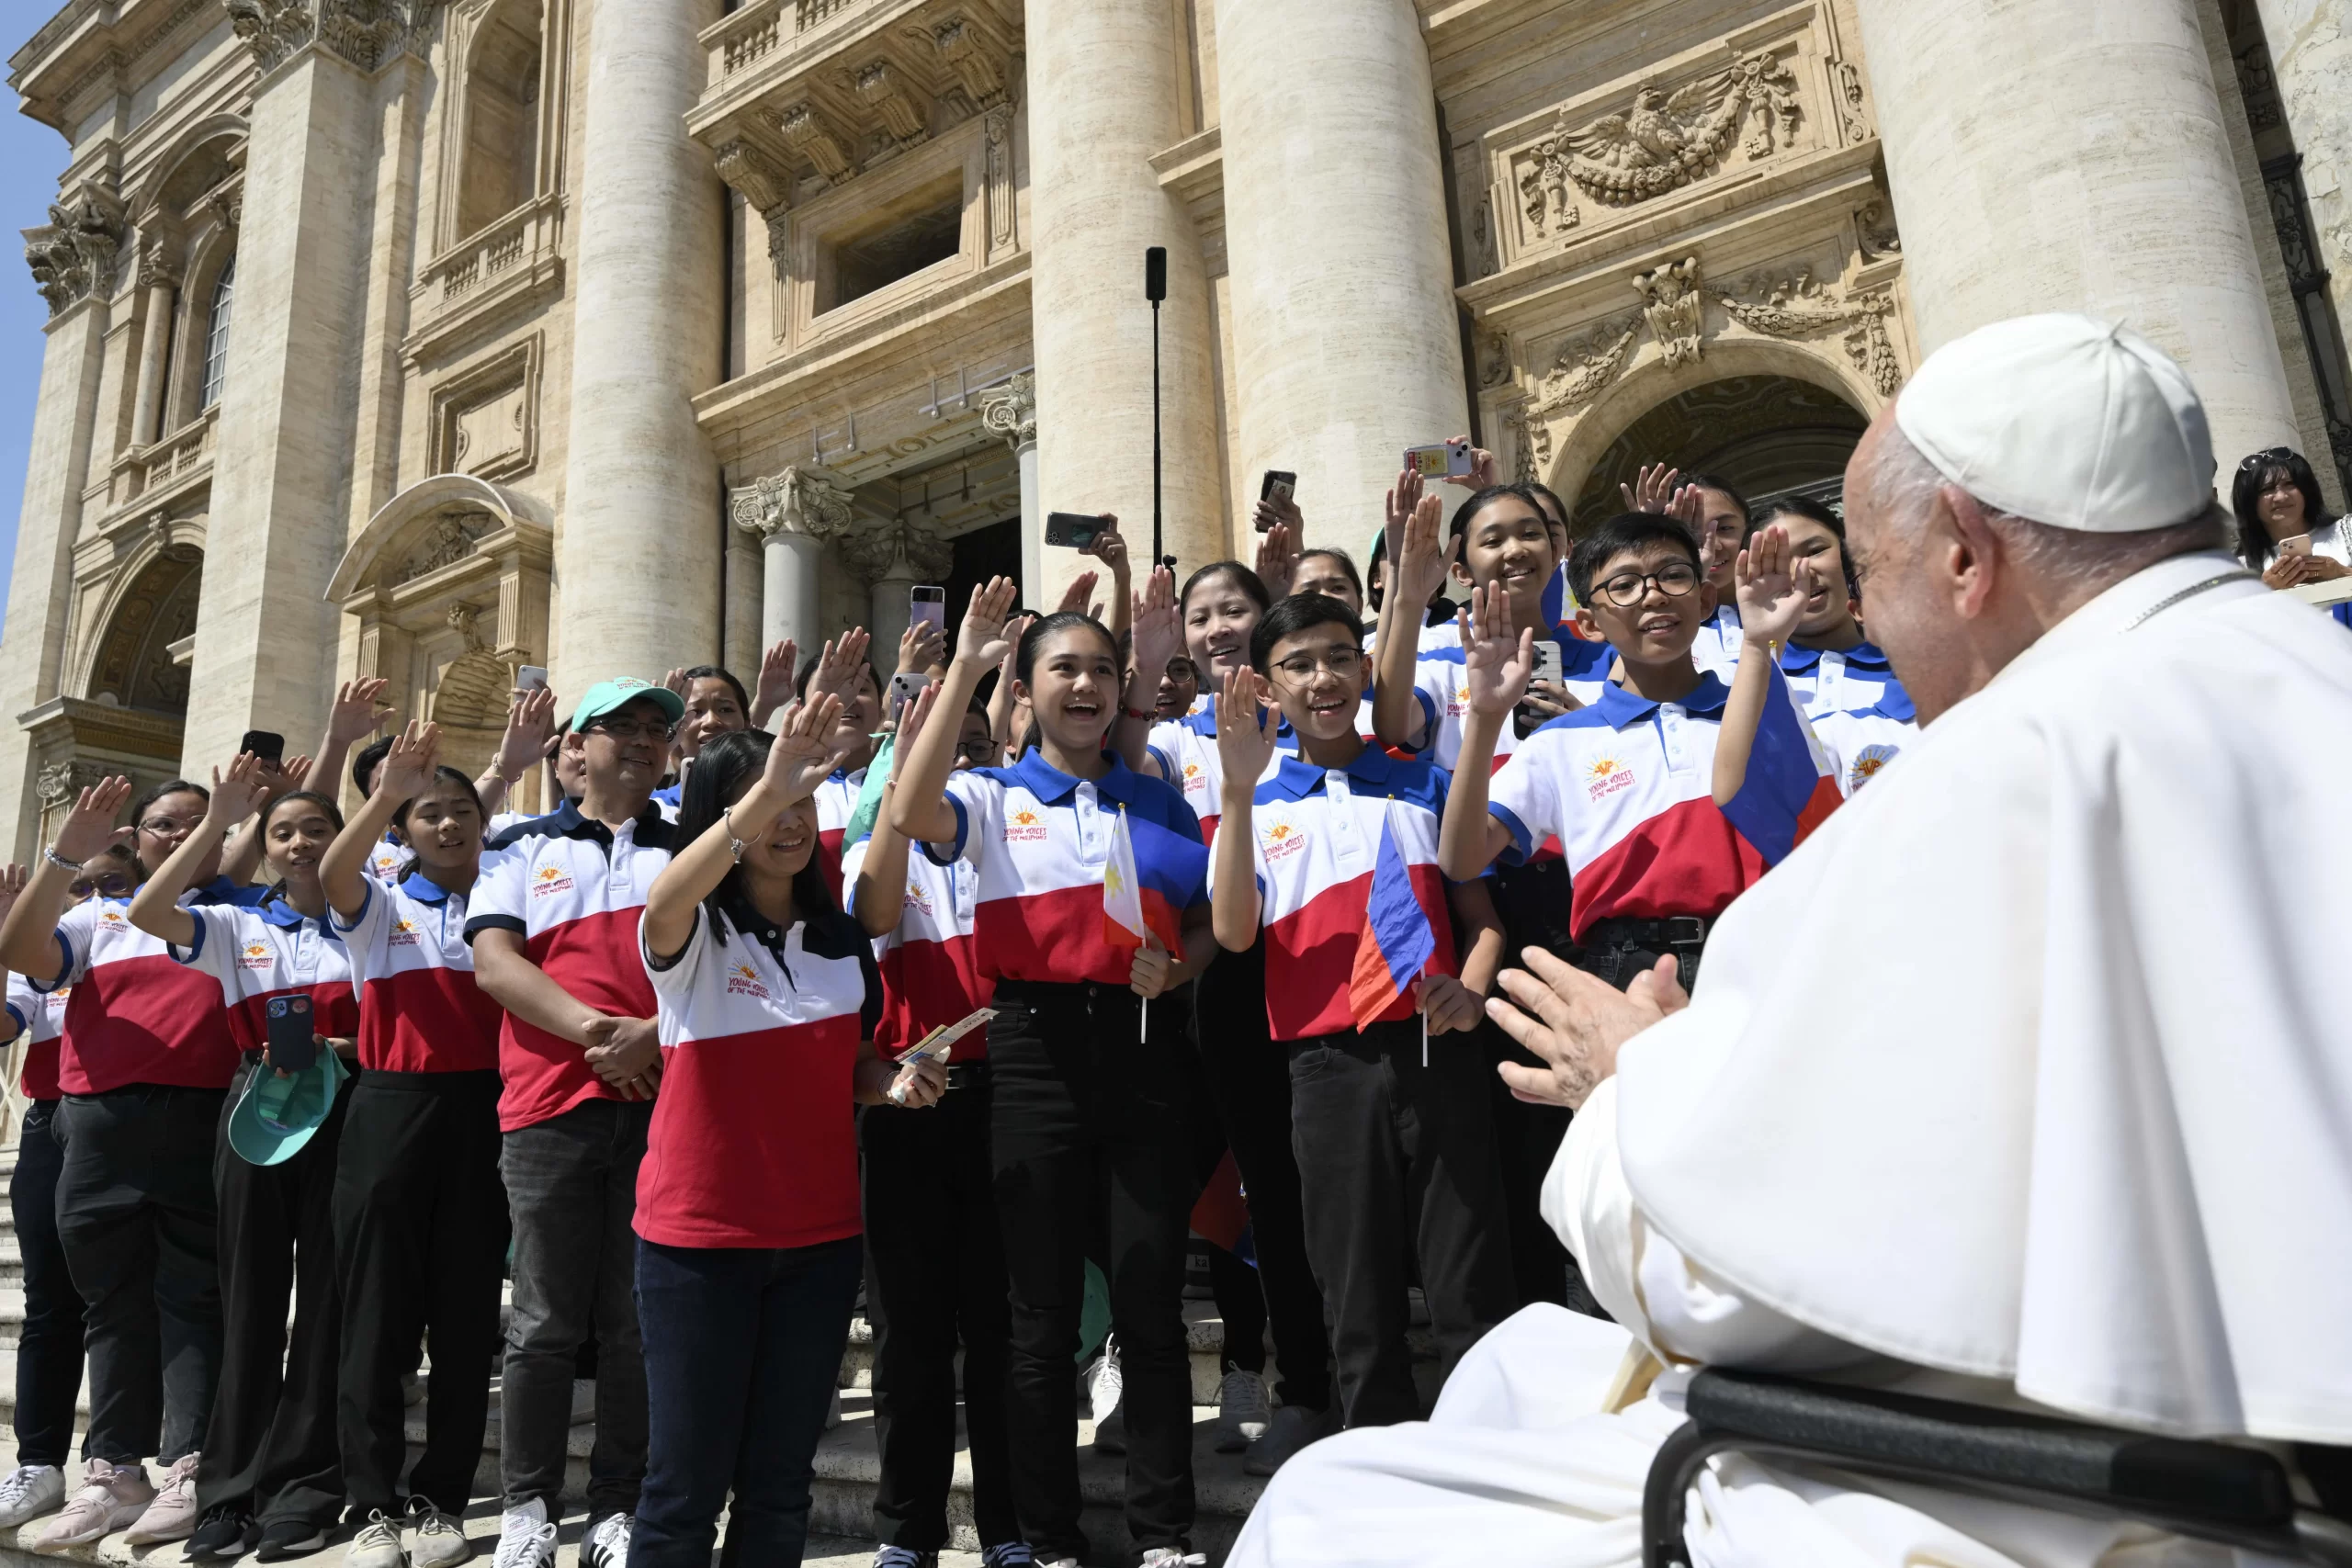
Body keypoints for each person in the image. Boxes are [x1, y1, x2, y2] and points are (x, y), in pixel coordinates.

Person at [1230, 312, 2352, 1568]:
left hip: (2148, 1483)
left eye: (1868, 570)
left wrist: (1626, 1088)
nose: (1860, 607)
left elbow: (1752, 1280)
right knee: (1512, 1360)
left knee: (1331, 1508)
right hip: (2240, 1424)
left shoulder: (1994, 765)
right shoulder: (2321, 665)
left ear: (1969, 558)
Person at [888, 584, 1214, 1568]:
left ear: (1122, 692)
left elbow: (1206, 924)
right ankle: (1047, 1537)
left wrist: (1179, 964)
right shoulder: (988, 797)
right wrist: (966, 667)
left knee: (1152, 1304)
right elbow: (908, 808)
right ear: (1025, 693)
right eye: (1063, 669)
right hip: (1030, 1052)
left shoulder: (1158, 800)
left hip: (1143, 1047)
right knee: (1036, 1319)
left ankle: (1163, 1536)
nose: (1085, 685)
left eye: (1102, 671)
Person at [633, 711, 944, 1567]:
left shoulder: (841, 940)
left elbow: (853, 1065)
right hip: (698, 1244)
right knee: (682, 1491)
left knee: (779, 1486)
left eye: (805, 797)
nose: (792, 817)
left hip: (818, 1242)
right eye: (768, 799)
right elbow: (665, 899)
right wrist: (771, 784)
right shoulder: (689, 930)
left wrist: (894, 1081)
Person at [1205, 593, 1514, 1430]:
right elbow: (1234, 932)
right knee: (1357, 1295)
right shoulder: (1254, 802)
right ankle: (1381, 1489)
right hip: (1325, 1070)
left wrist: (1473, 990)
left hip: (1439, 1053)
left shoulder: (1425, 778)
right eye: (1298, 664)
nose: (1323, 677)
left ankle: (1490, 1470)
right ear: (1267, 688)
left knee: (1469, 1285)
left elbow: (1483, 922)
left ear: (1366, 667)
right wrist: (1236, 791)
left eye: (1340, 656)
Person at [1119, 562, 1341, 1475]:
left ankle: (1307, 1381)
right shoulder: (1174, 741)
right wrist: (1144, 662)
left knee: (1293, 1199)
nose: (1215, 628)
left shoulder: (1317, 723)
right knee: (1206, 1193)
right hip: (1207, 985)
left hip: (1318, 977)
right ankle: (1228, 1369)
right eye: (1199, 616)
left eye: (1233, 612)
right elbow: (1123, 778)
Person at [1369, 486, 1607, 1314]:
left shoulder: (1603, 644)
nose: (1513, 551)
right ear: (1461, 562)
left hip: (1587, 903)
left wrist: (1584, 723)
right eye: (1491, 538)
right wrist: (1405, 594)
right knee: (1517, 1149)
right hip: (1489, 911)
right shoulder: (1439, 651)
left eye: (1530, 534)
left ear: (1560, 544)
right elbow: (1394, 720)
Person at [467, 677, 684, 1568]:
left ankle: (617, 1503)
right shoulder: (517, 845)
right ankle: (527, 1508)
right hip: (547, 1111)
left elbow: (717, 971)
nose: (639, 740)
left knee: (635, 1319)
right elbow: (493, 963)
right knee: (545, 1321)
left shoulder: (690, 849)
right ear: (576, 747)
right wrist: (601, 1034)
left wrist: (652, 1039)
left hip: (665, 1109)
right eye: (618, 727)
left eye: (653, 730)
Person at [119, 767, 361, 1560]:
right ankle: (227, 1489)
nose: (299, 843)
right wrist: (223, 819)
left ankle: (304, 1487)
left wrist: (342, 1049)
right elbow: (149, 908)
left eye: (315, 829)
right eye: (284, 831)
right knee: (250, 1300)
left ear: (340, 838)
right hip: (255, 1112)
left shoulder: (371, 920)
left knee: (327, 1304)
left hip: (347, 1111)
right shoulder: (232, 921)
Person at [0, 778, 244, 1555]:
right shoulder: (97, 915)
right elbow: (20, 950)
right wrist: (66, 850)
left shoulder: (237, 911)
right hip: (97, 1126)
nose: (176, 836)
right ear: (135, 839)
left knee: (192, 1296)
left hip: (201, 1117)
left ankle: (187, 1465)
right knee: (108, 1302)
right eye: (161, 825)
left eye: (194, 824)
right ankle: (112, 1473)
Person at [843, 690, 1027, 1568]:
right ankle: (905, 1529)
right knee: (910, 1335)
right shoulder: (872, 859)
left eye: (976, 744)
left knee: (1002, 1329)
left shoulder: (1021, 846)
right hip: (909, 1104)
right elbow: (866, 922)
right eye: (934, 748)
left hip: (1010, 1100)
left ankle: (1010, 1527)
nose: (959, 760)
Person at [319, 722, 507, 1568]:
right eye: (428, 813)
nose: (448, 824)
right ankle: (371, 1503)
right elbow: (331, 871)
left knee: (467, 1321)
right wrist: (389, 789)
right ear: (402, 831)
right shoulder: (380, 904)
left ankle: (442, 1499)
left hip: (489, 1111)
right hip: (391, 1108)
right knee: (376, 1316)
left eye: (461, 809)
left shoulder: (514, 898)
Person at [0, 856, 101, 1536]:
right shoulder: (46, 952)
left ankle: (118, 1463)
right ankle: (39, 1460)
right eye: (79, 885)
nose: (88, 899)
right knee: (50, 1304)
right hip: (53, 1126)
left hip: (145, 1124)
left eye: (104, 884)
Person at [1748, 495, 1919, 795]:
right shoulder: (1745, 682)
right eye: (1776, 562)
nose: (1800, 571)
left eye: (1815, 551)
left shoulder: (1915, 666)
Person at [1623, 464, 1751, 673]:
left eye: (1726, 528)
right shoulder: (1653, 626)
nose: (1713, 545)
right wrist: (1648, 540)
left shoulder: (1788, 607)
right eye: (1691, 531)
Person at [2230, 446, 2352, 625]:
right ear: (2249, 503)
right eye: (2266, 490)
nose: (2280, 497)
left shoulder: (2346, 531)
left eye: (2290, 485)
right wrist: (2262, 590)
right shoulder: (2237, 567)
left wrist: (2342, 572)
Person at [652, 662, 759, 818]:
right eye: (695, 711)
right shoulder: (656, 807)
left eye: (725, 709)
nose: (711, 721)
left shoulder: (770, 796)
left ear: (747, 723)